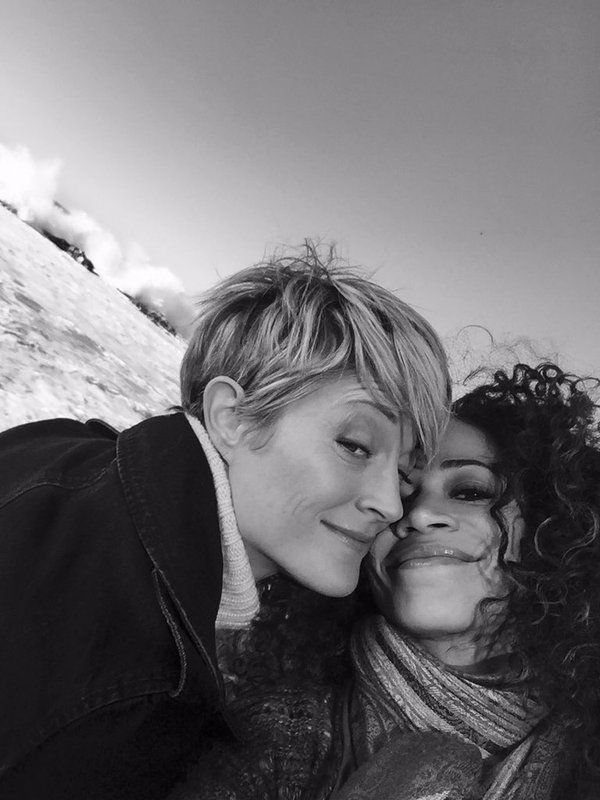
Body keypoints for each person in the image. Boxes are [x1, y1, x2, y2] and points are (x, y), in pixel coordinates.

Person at [0, 243, 450, 799]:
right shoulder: (140, 684)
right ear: (232, 418)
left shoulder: (67, 453)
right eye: (356, 445)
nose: (391, 503)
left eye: (405, 473)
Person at [172, 363, 600, 800]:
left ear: (557, 530)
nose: (414, 515)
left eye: (470, 491)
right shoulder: (246, 713)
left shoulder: (585, 759)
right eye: (404, 493)